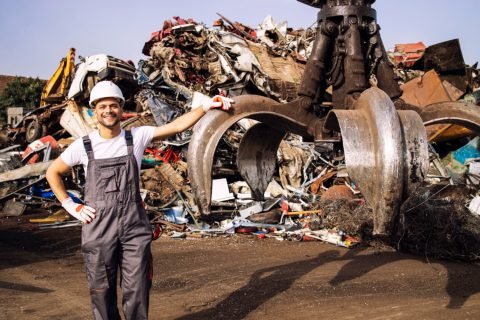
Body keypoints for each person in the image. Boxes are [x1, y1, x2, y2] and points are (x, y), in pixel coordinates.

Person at [46, 81, 233, 320]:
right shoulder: (84, 146)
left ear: (122, 108)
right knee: (101, 289)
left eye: (113, 105)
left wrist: (206, 106)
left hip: (133, 226)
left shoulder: (136, 137)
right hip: (98, 226)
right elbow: (53, 172)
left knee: (138, 289)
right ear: (95, 109)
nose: (108, 111)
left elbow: (175, 127)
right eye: (102, 106)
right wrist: (70, 205)